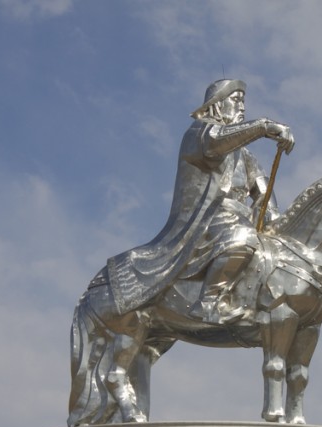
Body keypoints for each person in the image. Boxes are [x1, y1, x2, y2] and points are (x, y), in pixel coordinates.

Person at [106, 79, 295, 324]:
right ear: (217, 105)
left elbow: (262, 189)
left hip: (240, 219)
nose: (242, 107)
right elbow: (215, 144)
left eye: (243, 102)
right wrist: (263, 127)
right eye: (236, 100)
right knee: (243, 239)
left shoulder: (245, 156)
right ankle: (209, 302)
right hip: (209, 220)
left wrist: (273, 214)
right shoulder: (199, 133)